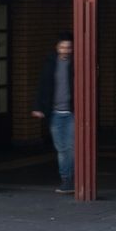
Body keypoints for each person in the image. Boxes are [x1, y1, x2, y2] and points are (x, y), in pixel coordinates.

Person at [31, 32, 75, 194]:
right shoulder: (50, 63)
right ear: (57, 47)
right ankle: (66, 179)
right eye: (62, 47)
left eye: (68, 47)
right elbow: (42, 86)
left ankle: (71, 179)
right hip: (55, 112)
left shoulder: (77, 63)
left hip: (72, 112)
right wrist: (38, 107)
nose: (65, 50)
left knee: (71, 147)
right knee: (61, 148)